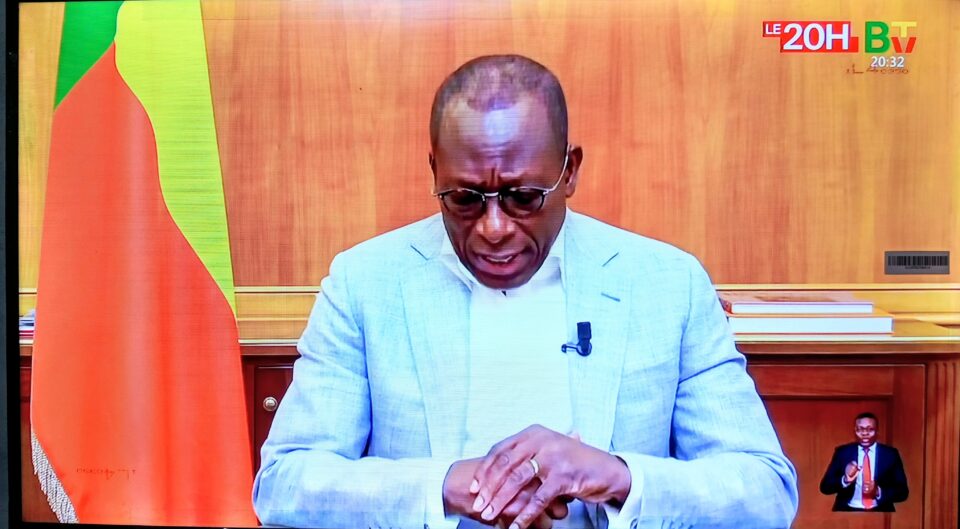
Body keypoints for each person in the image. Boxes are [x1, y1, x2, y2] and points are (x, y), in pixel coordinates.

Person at [252, 54, 798, 529]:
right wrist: (443, 486)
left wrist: (616, 476)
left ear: (569, 171)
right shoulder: (364, 283)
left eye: (523, 197)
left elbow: (765, 491)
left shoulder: (668, 284)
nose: (493, 228)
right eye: (464, 198)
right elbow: (284, 483)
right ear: (435, 171)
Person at [819, 412, 909, 512]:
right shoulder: (842, 453)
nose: (865, 433)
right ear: (855, 430)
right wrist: (845, 480)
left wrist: (878, 491)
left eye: (870, 429)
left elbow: (903, 492)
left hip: (880, 511)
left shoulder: (890, 454)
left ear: (877, 431)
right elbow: (825, 487)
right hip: (847, 511)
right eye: (860, 429)